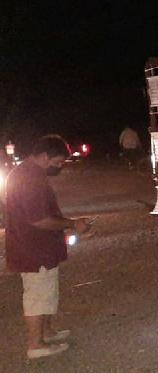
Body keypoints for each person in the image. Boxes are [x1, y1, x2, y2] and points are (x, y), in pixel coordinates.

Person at [4, 135, 92, 359]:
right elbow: (38, 220)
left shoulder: (29, 173)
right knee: (37, 294)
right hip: (33, 248)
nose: (59, 167)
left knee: (47, 292)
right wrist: (73, 224)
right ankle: (36, 345)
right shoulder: (28, 178)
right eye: (58, 162)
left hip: (40, 247)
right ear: (44, 156)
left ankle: (46, 333)